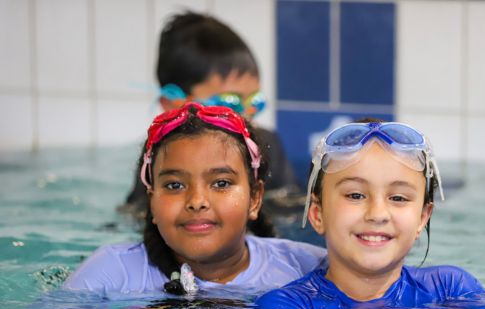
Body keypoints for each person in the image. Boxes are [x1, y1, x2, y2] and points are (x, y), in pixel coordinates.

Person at [257, 119, 485, 309]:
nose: (377, 214)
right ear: (317, 214)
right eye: (356, 195)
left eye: (399, 198)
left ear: (422, 218)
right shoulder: (287, 305)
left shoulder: (450, 287)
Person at [64, 103, 325, 295]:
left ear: (255, 198)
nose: (197, 200)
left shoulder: (308, 269)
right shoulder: (108, 274)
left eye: (221, 183)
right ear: (151, 201)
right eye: (175, 185)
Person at [122, 12, 299, 218]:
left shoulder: (267, 145)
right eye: (229, 103)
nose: (246, 115)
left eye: (255, 102)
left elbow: (291, 211)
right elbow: (136, 217)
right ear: (173, 104)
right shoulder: (158, 156)